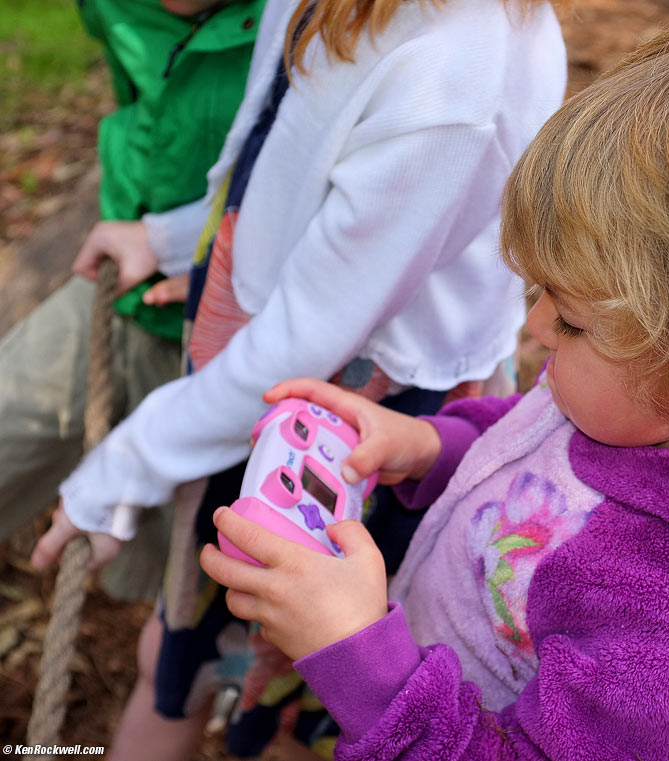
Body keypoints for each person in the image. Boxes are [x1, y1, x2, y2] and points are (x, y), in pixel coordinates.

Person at [201, 2, 669, 758]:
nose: (537, 330)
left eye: (569, 321)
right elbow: (540, 435)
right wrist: (428, 444)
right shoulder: (646, 396)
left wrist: (362, 659)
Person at [31, 0, 567, 757]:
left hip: (347, 411)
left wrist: (121, 467)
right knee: (192, 639)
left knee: (293, 660)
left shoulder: (452, 68)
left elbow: (307, 342)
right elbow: (288, 151)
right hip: (260, 370)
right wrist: (174, 236)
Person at [0, 0, 265, 600]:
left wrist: (190, 247)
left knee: (178, 577)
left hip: (238, 343)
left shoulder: (308, 25)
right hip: (120, 285)